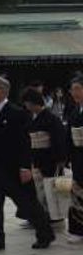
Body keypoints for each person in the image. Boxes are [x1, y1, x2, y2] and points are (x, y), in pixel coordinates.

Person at [0, 76, 54, 252]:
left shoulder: (17, 113)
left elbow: (24, 142)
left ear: (2, 91)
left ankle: (45, 233)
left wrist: (25, 166)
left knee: (28, 204)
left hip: (13, 169)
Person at [23, 88, 68, 224]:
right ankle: (41, 216)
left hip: (49, 158)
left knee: (52, 187)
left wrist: (61, 159)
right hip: (36, 157)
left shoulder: (51, 119)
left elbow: (59, 140)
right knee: (39, 190)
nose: (26, 106)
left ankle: (55, 215)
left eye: (26, 103)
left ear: (32, 103)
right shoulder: (32, 117)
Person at [66, 74, 83, 243]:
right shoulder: (74, 111)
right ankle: (78, 229)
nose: (74, 93)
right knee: (78, 193)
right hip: (78, 158)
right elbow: (68, 137)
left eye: (78, 89)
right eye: (73, 90)